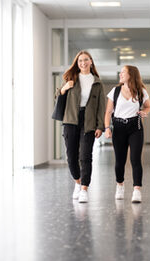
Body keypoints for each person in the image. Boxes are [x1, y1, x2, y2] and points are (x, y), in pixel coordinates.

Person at [55, 50, 105, 203]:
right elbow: (58, 96)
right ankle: (77, 182)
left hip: (88, 121)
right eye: (80, 61)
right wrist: (65, 88)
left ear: (91, 62)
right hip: (71, 120)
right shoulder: (71, 79)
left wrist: (100, 126)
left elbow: (101, 106)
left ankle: (84, 188)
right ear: (77, 64)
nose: (83, 63)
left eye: (85, 60)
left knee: (85, 156)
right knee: (71, 157)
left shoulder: (97, 82)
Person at [104, 65, 150, 203]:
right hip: (118, 127)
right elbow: (108, 112)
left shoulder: (141, 91)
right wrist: (107, 128)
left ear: (131, 74)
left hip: (135, 127)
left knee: (135, 159)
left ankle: (137, 190)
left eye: (123, 72)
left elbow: (148, 106)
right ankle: (120, 185)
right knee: (120, 161)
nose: (120, 74)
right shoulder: (115, 91)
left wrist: (145, 112)